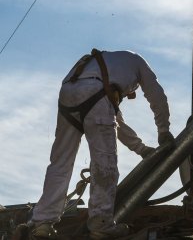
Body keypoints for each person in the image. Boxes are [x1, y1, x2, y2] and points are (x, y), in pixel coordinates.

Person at [29, 49, 175, 239]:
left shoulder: (107, 66)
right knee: (105, 164)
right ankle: (101, 223)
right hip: (94, 91)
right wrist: (164, 131)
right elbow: (158, 97)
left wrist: (141, 149)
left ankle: (43, 223)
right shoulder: (139, 63)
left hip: (68, 91)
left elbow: (116, 123)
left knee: (60, 162)